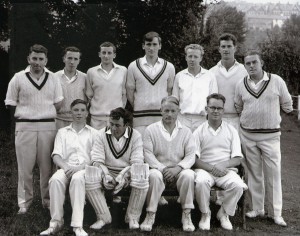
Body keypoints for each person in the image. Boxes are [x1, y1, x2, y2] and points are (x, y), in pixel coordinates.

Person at [234, 50, 293, 227]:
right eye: (248, 63)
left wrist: (270, 118)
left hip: (271, 137)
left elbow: (287, 104)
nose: (251, 66)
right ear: (245, 66)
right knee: (254, 174)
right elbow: (238, 106)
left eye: (254, 62)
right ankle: (258, 208)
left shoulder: (276, 81)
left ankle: (276, 213)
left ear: (262, 63)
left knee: (273, 175)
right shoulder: (240, 84)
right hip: (248, 135)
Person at [4, 44, 63, 214]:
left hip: (48, 127)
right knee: (25, 168)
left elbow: (58, 103)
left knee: (47, 167)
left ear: (46, 60)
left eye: (41, 59)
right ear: (28, 59)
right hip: (25, 126)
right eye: (34, 58)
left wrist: (43, 113)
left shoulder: (53, 78)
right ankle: (24, 203)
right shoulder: (18, 78)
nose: (37, 62)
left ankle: (47, 201)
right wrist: (27, 116)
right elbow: (10, 103)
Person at [85, 107, 149, 230]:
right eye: (111, 124)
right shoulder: (101, 134)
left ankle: (132, 217)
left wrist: (124, 177)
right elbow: (97, 160)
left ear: (126, 124)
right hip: (106, 172)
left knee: (141, 173)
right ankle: (103, 217)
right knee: (90, 174)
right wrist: (105, 175)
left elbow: (137, 162)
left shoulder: (135, 136)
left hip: (127, 173)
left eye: (118, 125)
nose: (114, 128)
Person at [40, 99, 98, 236]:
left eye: (82, 110)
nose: (79, 113)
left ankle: (77, 226)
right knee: (55, 180)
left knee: (78, 179)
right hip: (66, 168)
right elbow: (56, 155)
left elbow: (95, 158)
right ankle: (56, 222)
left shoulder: (94, 133)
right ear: (71, 112)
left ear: (87, 113)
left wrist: (79, 168)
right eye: (76, 110)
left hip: (84, 169)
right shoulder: (62, 132)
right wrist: (66, 167)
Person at [140, 96, 196, 232]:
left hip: (178, 171)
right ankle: (150, 214)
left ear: (178, 111)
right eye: (166, 111)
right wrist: (163, 168)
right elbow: (147, 153)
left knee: (189, 175)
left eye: (172, 111)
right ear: (161, 111)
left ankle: (186, 214)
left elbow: (191, 155)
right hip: (159, 169)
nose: (169, 114)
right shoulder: (151, 130)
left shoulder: (186, 131)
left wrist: (177, 168)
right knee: (153, 176)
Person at [193, 93, 248, 231]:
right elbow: (194, 160)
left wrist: (223, 165)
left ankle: (223, 213)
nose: (216, 111)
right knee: (200, 182)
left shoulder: (231, 130)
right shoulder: (198, 131)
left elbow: (237, 158)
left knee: (237, 185)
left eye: (219, 108)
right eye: (212, 107)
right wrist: (212, 168)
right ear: (206, 109)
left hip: (225, 170)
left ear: (223, 110)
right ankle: (205, 214)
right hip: (204, 170)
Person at [126, 31, 175, 136]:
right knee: (141, 149)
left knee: (161, 149)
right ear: (143, 46)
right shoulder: (133, 66)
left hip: (161, 117)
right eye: (148, 44)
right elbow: (129, 91)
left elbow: (170, 91)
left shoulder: (169, 67)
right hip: (140, 118)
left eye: (154, 44)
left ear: (160, 46)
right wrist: (140, 104)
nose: (151, 48)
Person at [172, 44, 218, 132]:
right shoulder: (179, 76)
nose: (192, 59)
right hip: (183, 119)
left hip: (203, 120)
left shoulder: (210, 76)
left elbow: (213, 100)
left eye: (196, 57)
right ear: (186, 57)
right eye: (190, 56)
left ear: (201, 58)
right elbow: (175, 100)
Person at [209, 33, 248, 131]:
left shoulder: (244, 71)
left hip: (237, 120)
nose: (226, 49)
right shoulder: (211, 72)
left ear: (235, 48)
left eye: (229, 46)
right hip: (217, 119)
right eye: (223, 46)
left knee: (236, 146)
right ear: (219, 49)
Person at [86, 42, 127, 130]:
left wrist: (119, 112)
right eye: (103, 53)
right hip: (97, 120)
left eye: (109, 53)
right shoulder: (91, 72)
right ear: (99, 54)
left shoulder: (123, 70)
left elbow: (124, 94)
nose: (106, 56)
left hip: (116, 119)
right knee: (97, 143)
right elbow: (89, 96)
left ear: (114, 55)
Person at [55, 46, 87, 129]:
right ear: (64, 59)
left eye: (75, 59)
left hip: (78, 121)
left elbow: (88, 99)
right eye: (69, 58)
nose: (72, 62)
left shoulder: (85, 77)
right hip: (59, 120)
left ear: (79, 61)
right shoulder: (54, 77)